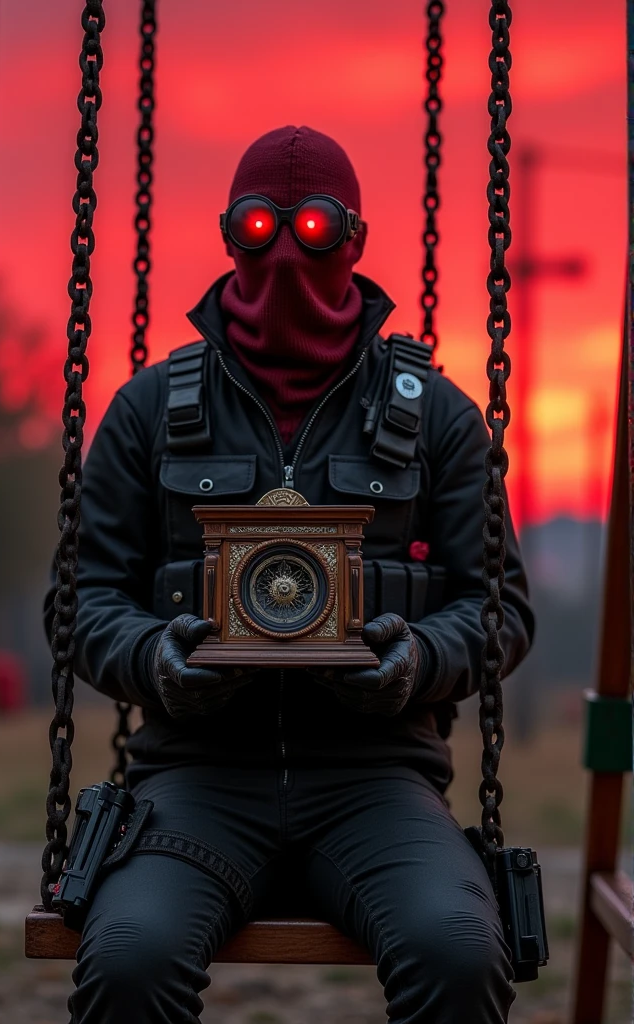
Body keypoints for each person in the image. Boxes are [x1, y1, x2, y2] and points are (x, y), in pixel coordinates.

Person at [58, 125, 534, 1023]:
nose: (285, 250)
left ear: (352, 238)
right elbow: (79, 605)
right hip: (195, 779)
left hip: (376, 781)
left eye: (313, 228)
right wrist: (158, 658)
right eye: (258, 226)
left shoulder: (432, 416)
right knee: (127, 962)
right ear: (227, 234)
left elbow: (500, 607)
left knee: (458, 953)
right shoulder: (151, 410)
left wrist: (417, 662)